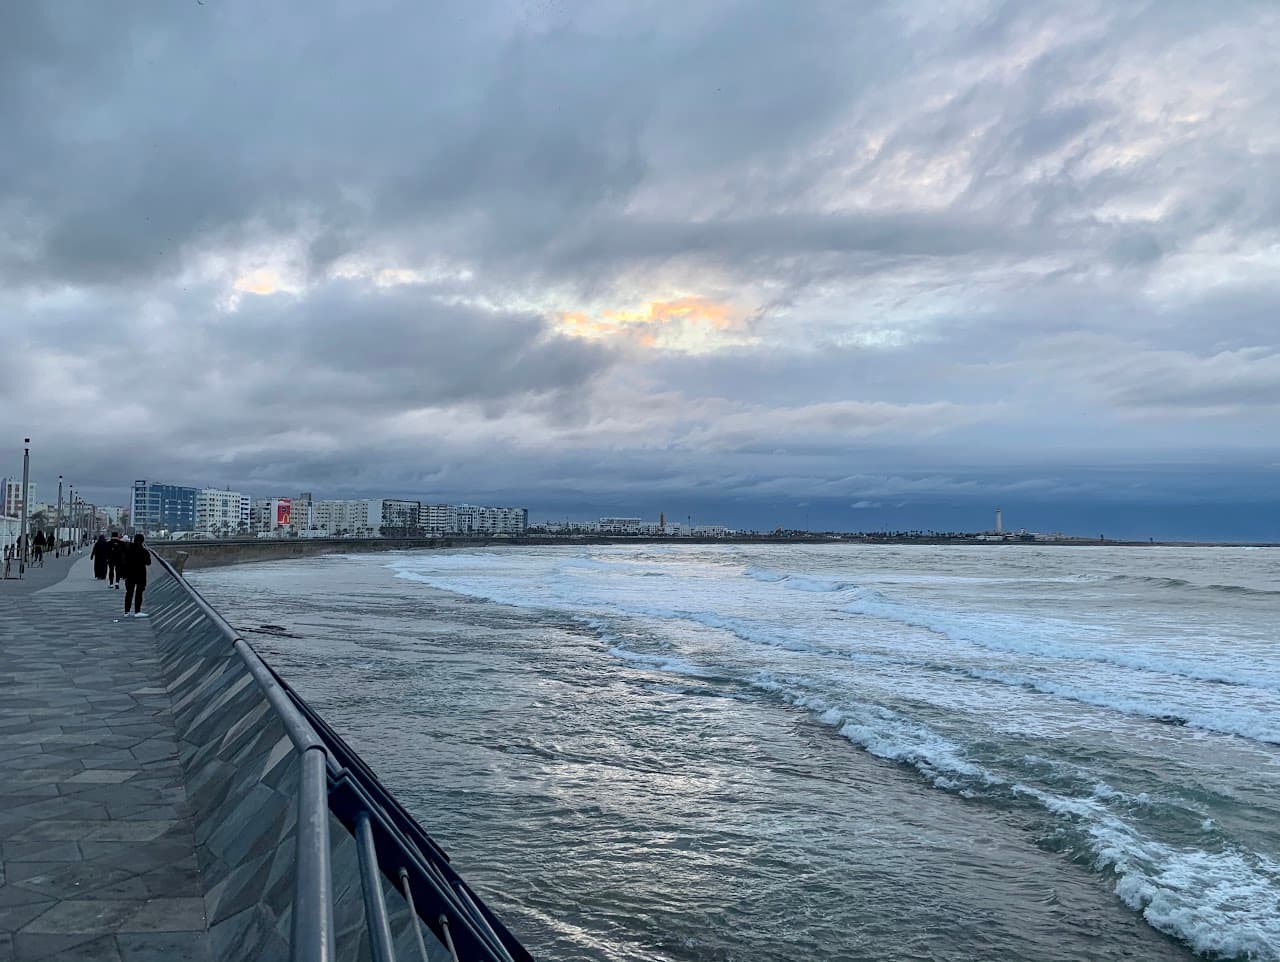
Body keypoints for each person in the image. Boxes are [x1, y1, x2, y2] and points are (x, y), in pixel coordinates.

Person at [120, 533, 151, 617]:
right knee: (139, 593)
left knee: (129, 592)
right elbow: (148, 563)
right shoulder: (144, 551)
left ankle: (126, 611)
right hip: (140, 574)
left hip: (129, 574)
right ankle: (137, 611)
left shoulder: (128, 550)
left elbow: (123, 561)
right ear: (142, 541)